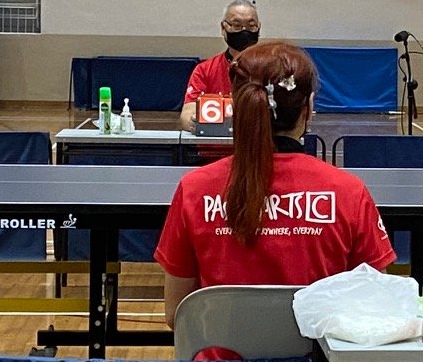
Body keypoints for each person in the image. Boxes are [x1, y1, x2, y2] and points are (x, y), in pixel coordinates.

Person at [156, 40, 395, 324]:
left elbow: (176, 315)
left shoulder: (194, 190)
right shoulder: (348, 192)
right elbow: (374, 306)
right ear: (308, 107)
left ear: (238, 105)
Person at [178, 0, 261, 131]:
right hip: (215, 149)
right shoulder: (204, 70)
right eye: (237, 26)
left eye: (251, 26)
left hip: (255, 148)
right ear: (223, 28)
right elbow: (186, 115)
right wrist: (195, 121)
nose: (244, 31)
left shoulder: (272, 69)